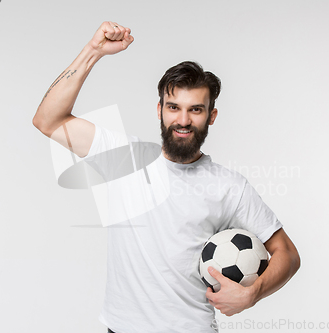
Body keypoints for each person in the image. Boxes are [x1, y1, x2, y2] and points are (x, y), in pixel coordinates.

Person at [33, 21, 300, 333]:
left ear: (211, 116)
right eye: (174, 107)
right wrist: (93, 51)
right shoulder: (124, 158)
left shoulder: (229, 186)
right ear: (159, 109)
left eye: (195, 110)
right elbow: (47, 119)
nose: (183, 120)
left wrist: (251, 294)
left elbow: (288, 254)